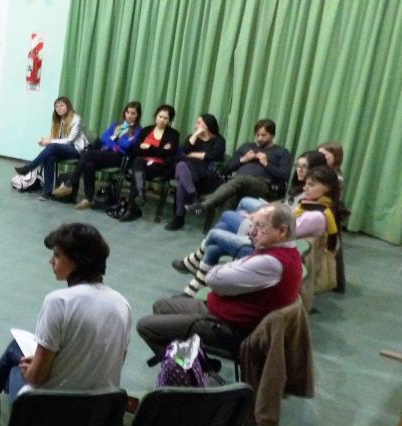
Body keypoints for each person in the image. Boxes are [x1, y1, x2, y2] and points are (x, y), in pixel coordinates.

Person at [0, 223, 131, 426]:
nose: (51, 261)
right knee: (18, 350)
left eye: (56, 255)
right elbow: (111, 362)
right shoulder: (122, 304)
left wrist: (33, 368)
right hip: (96, 420)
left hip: (45, 418)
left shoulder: (58, 302)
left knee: (15, 360)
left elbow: (37, 378)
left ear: (77, 260)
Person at [137, 202, 303, 358]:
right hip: (221, 312)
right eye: (253, 225)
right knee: (161, 306)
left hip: (230, 329)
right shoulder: (281, 252)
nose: (252, 232)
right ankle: (196, 361)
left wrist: (223, 270)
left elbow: (212, 279)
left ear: (282, 231)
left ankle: (192, 370)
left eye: (260, 226)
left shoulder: (271, 263)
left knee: (146, 326)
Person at [174, 163, 339, 296]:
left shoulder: (316, 215)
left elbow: (282, 233)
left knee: (222, 223)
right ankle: (192, 290)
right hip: (267, 237)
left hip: (266, 249)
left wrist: (255, 220)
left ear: (327, 188)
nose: (305, 188)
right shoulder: (310, 203)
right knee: (215, 243)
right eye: (306, 183)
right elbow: (283, 215)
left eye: (311, 185)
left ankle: (194, 261)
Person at [52, 101, 143, 208]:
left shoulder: (138, 131)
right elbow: (104, 137)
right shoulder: (117, 124)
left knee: (88, 155)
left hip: (119, 157)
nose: (129, 116)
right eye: (128, 112)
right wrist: (116, 142)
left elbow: (127, 145)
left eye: (133, 113)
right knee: (89, 164)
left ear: (138, 115)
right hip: (106, 153)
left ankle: (69, 184)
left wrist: (114, 139)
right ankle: (89, 199)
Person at [195, 119, 292, 217]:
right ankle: (223, 222)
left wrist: (266, 164)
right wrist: (243, 159)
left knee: (240, 179)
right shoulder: (246, 146)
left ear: (272, 135)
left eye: (263, 135)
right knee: (230, 194)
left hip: (263, 185)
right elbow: (226, 169)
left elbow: (284, 176)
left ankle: (205, 203)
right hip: (237, 183)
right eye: (257, 135)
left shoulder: (282, 152)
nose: (259, 138)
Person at [13, 96, 89, 199]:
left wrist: (49, 142)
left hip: (77, 150)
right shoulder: (60, 119)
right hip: (64, 149)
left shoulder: (76, 119)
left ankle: (29, 168)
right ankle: (47, 191)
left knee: (52, 147)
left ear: (68, 106)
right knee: (50, 157)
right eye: (57, 106)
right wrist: (45, 139)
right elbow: (57, 136)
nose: (59, 108)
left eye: (62, 105)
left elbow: (69, 140)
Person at [122, 104, 180, 221]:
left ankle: (133, 207)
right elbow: (136, 150)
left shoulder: (173, 134)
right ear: (155, 116)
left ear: (170, 120)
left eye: (165, 118)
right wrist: (159, 150)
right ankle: (138, 198)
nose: (162, 120)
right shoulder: (146, 130)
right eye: (160, 117)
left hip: (160, 166)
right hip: (142, 163)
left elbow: (168, 154)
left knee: (137, 172)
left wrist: (148, 147)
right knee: (138, 163)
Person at [168, 114, 226, 230]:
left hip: (206, 175)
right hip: (190, 174)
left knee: (183, 178)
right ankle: (193, 196)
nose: (196, 125)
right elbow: (184, 151)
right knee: (181, 165)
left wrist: (193, 154)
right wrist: (195, 134)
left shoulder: (219, 140)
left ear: (207, 125)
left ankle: (179, 217)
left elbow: (213, 156)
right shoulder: (192, 137)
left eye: (199, 123)